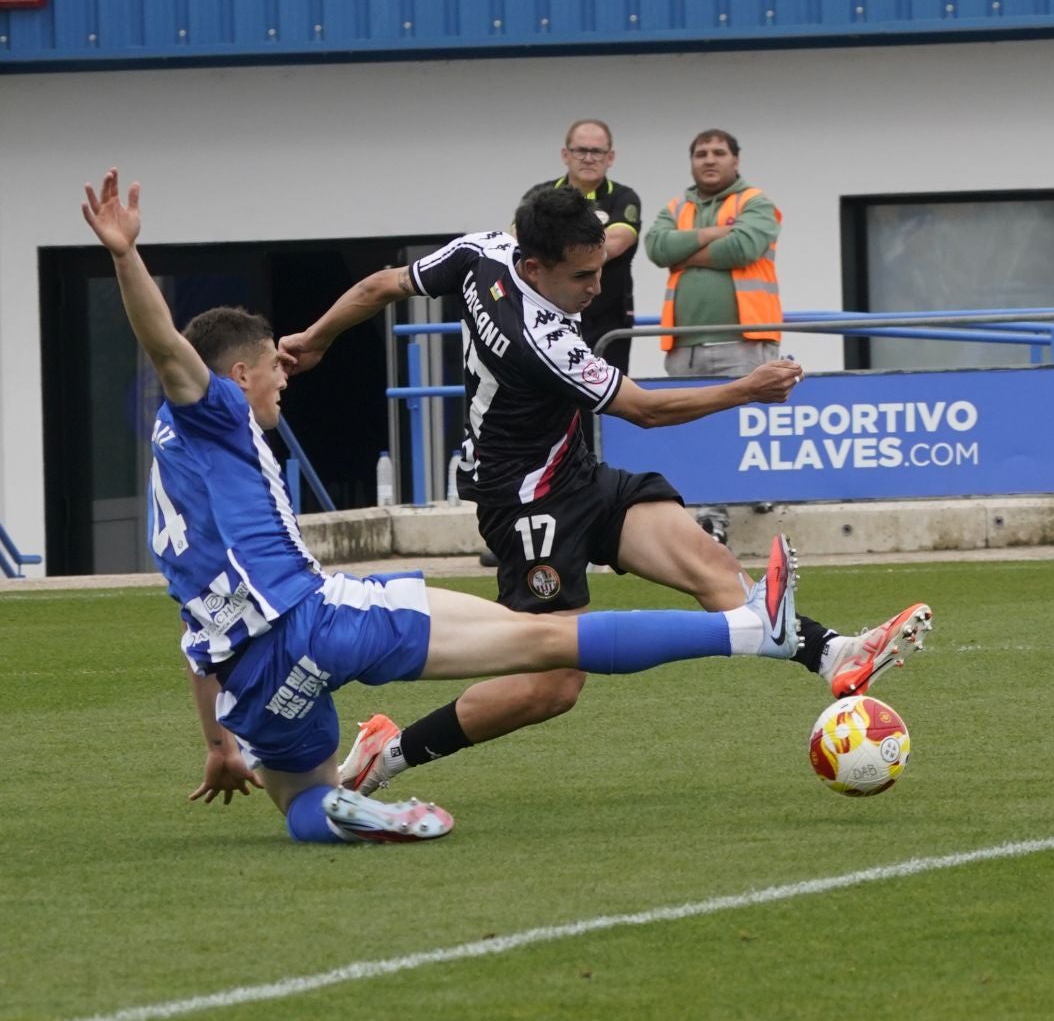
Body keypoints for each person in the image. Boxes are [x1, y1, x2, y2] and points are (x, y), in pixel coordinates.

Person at [82, 169, 801, 845]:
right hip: (322, 619)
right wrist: (125, 255)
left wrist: (218, 746)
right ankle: (750, 629)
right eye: (275, 364)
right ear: (237, 375)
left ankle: (340, 809)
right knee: (548, 641)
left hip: (250, 682)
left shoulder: (171, 465)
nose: (285, 376)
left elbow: (196, 638)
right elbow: (164, 342)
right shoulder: (212, 406)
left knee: (301, 793)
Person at [279, 186, 930, 795]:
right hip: (526, 502)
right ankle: (386, 753)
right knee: (552, 685)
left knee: (707, 563)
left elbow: (382, 283)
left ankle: (833, 653)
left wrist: (316, 337)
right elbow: (645, 410)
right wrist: (746, 389)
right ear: (535, 269)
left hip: (576, 473)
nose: (596, 289)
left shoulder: (484, 250)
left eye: (599, 273)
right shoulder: (541, 339)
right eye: (583, 278)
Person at [643, 128, 781, 547]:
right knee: (697, 431)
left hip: (743, 338)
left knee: (743, 428)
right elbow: (656, 248)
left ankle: (748, 494)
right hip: (683, 344)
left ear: (735, 160)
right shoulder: (676, 206)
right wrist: (716, 234)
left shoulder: (756, 202)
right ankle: (712, 511)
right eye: (701, 153)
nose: (709, 159)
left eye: (719, 152)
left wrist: (684, 251)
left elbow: (743, 248)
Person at [535, 119, 642, 376]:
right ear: (566, 155)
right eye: (580, 150)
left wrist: (552, 246)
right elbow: (520, 240)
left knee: (608, 398)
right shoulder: (540, 195)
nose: (588, 158)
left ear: (610, 157)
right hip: (551, 315)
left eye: (596, 152)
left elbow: (615, 244)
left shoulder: (624, 198)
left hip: (609, 321)